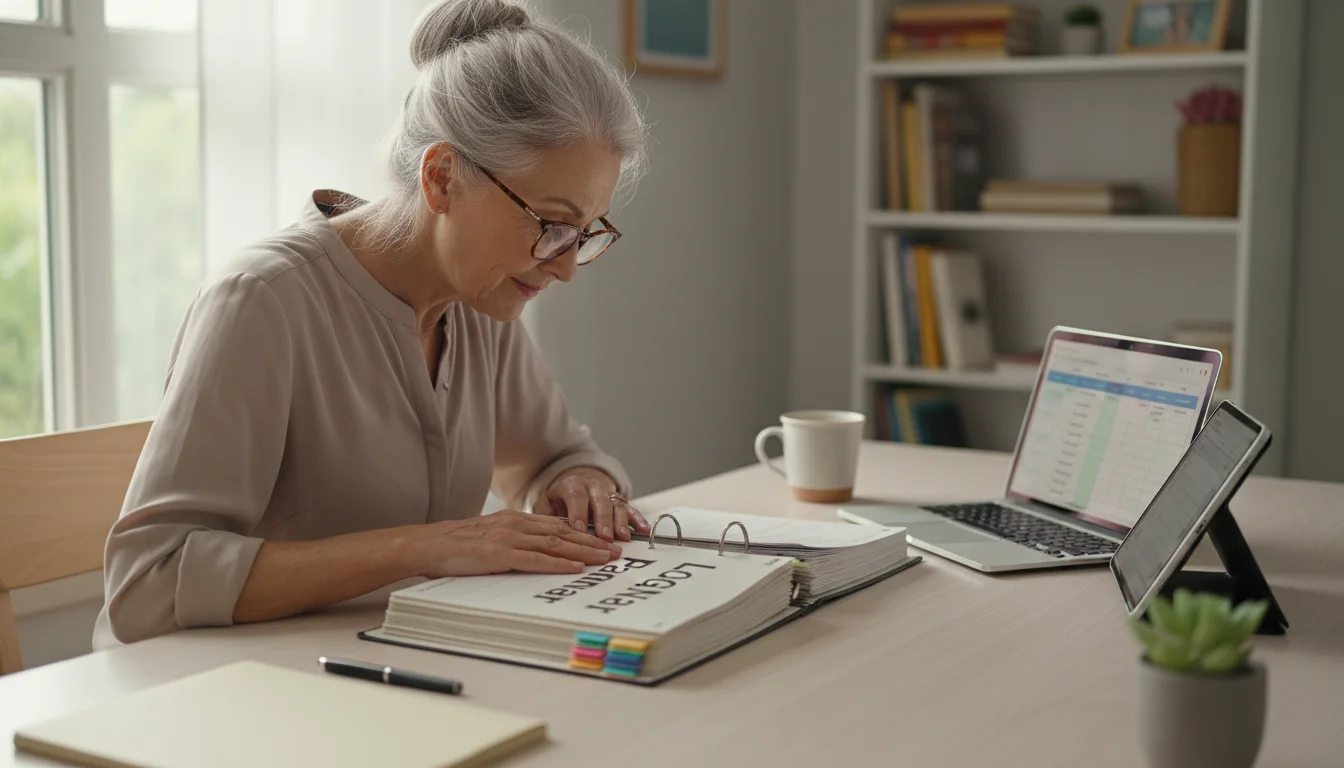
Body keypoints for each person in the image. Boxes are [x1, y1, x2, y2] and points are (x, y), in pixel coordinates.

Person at [93, 0, 652, 649]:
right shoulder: (262, 300)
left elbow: (551, 453)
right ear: (442, 177)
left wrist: (579, 481)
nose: (565, 269)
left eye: (584, 234)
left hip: (385, 673)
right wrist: (428, 548)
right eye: (550, 226)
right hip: (207, 698)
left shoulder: (482, 297)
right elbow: (149, 581)